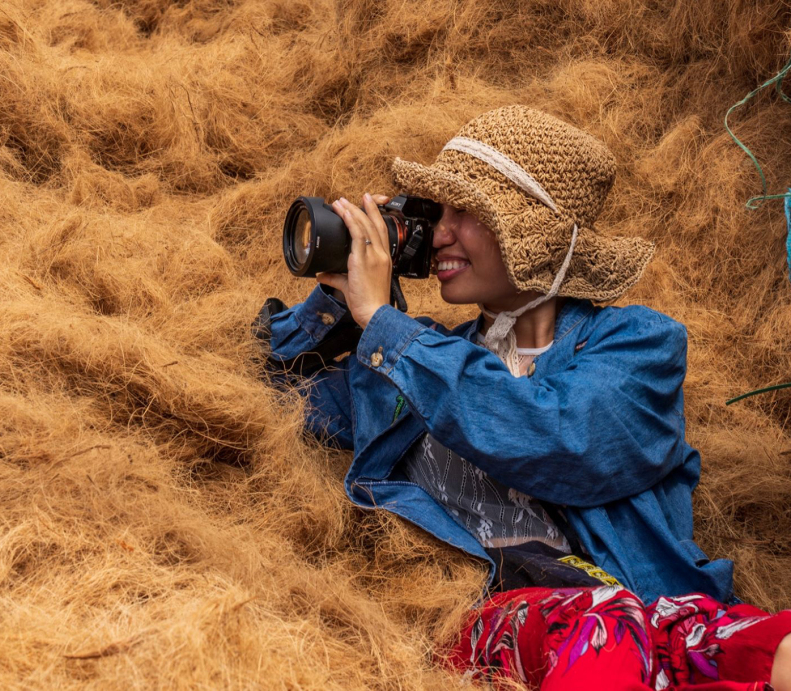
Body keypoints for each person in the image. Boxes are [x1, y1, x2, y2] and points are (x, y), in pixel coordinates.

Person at [259, 106, 791, 689]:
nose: (437, 234)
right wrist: (341, 301)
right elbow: (277, 390)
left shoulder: (640, 345)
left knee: (775, 646)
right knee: (604, 630)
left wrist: (387, 326)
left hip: (653, 619)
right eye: (436, 213)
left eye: (462, 212)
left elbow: (558, 437)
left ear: (529, 230)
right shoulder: (415, 359)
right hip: (527, 625)